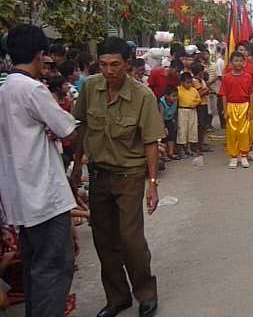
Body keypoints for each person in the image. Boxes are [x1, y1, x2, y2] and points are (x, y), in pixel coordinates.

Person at [73, 36, 164, 317]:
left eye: (115, 64)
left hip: (130, 175)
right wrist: (77, 167)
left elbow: (150, 141)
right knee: (104, 238)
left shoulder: (142, 96)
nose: (109, 71)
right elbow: (83, 128)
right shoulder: (90, 88)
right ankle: (117, 297)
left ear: (128, 64)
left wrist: (152, 184)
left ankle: (145, 293)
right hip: (99, 174)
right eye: (103, 65)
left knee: (130, 239)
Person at [0, 25, 78, 317]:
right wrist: (57, 126)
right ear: (39, 54)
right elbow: (66, 127)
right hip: (42, 194)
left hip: (20, 195)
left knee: (36, 267)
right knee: (55, 266)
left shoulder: (6, 86)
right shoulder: (32, 89)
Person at [220, 51, 253, 169]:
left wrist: (250, 109)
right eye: (236, 61)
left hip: (244, 106)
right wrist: (225, 111)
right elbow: (224, 95)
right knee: (232, 132)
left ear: (244, 62)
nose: (238, 63)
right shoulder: (226, 77)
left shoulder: (248, 76)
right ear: (231, 63)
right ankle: (233, 157)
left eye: (240, 61)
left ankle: (244, 155)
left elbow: (251, 94)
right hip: (231, 106)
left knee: (244, 132)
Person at [191, 63, 210, 158]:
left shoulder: (201, 80)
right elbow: (199, 93)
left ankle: (201, 144)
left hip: (204, 103)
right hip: (199, 105)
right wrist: (206, 90)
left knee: (204, 126)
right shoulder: (195, 81)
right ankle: (197, 145)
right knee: (200, 125)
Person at [159, 86, 179, 161]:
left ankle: (171, 152)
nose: (175, 98)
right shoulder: (162, 103)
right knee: (164, 137)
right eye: (173, 96)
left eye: (176, 96)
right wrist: (163, 127)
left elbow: (175, 112)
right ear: (166, 96)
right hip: (161, 120)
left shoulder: (176, 101)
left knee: (172, 134)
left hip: (170, 119)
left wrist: (175, 122)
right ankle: (164, 154)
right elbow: (160, 116)